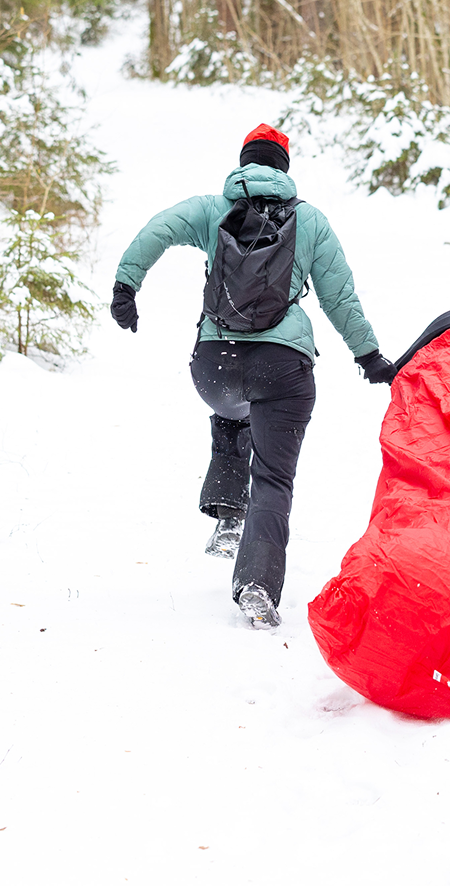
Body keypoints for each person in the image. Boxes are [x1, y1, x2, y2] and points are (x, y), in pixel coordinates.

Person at [110, 123, 393, 629]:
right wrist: (368, 355)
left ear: (244, 163)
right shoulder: (309, 221)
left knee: (234, 409)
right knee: (273, 476)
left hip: (214, 366)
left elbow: (155, 229)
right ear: (284, 167)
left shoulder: (210, 208)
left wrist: (126, 288)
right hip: (282, 368)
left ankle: (226, 511)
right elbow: (339, 297)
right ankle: (257, 582)